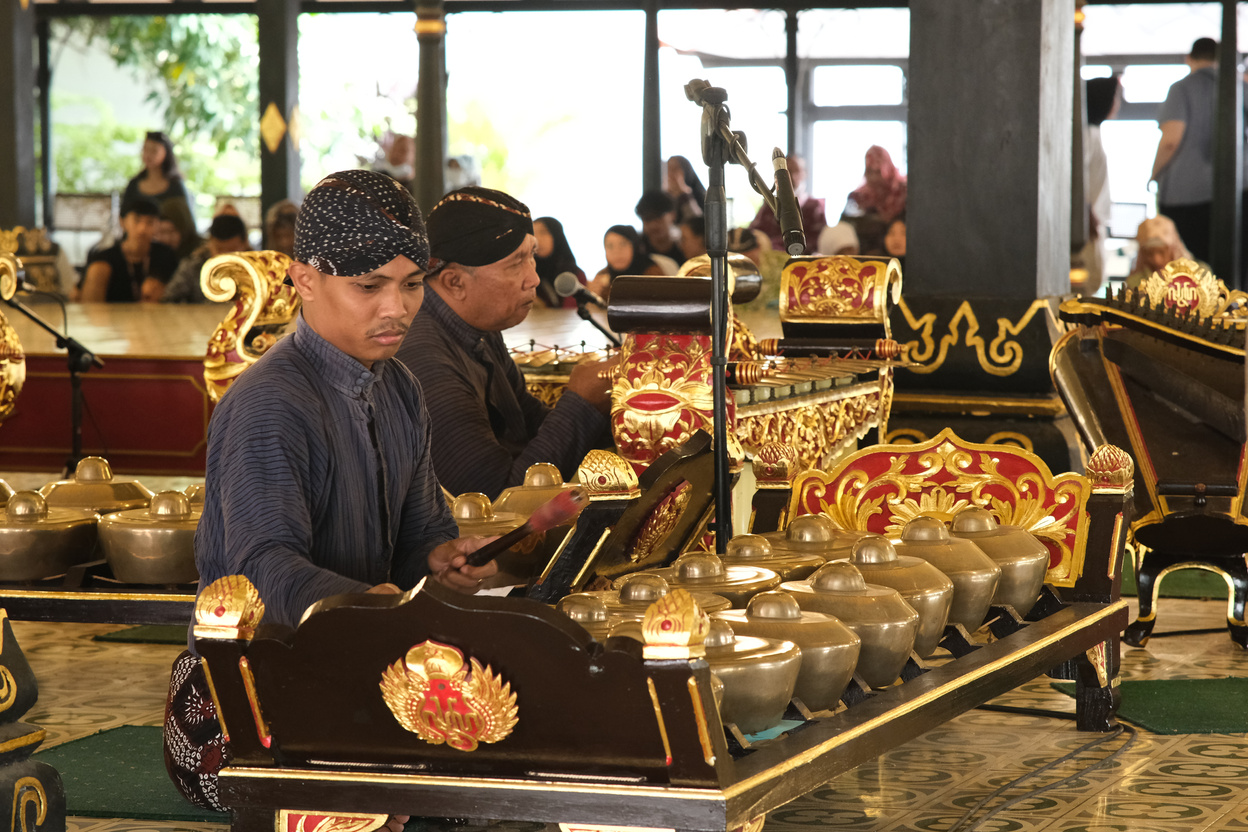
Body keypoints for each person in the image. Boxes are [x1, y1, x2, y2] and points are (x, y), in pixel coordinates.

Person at [166, 169, 496, 816]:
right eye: (369, 287)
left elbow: (421, 534)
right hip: (241, 708)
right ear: (306, 279)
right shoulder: (269, 404)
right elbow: (264, 571)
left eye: (410, 285)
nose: (396, 309)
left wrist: (439, 562)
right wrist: (361, 603)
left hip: (362, 668)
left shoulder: (399, 387)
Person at [396, 186, 614, 500]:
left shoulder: (479, 328)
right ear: (455, 282)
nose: (534, 279)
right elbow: (495, 501)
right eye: (516, 264)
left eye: (532, 257)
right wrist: (581, 402)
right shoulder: (425, 359)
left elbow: (531, 427)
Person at [1151, 37, 1248, 266]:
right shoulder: (1242, 87)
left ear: (1190, 59)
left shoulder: (1182, 88)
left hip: (1187, 196)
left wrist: (1154, 174)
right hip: (1241, 190)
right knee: (1237, 272)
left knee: (1191, 273)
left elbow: (1171, 140)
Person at [79, 197, 179, 302]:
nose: (142, 228)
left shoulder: (166, 256)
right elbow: (89, 307)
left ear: (158, 224)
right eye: (137, 220)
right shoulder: (104, 259)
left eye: (150, 222)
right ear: (122, 221)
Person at [122, 131, 199, 260]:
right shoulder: (134, 184)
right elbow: (123, 215)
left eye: (154, 150)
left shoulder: (176, 185)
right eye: (145, 149)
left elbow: (186, 221)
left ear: (166, 152)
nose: (148, 155)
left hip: (172, 245)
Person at [1080, 75, 1122, 295]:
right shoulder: (1086, 134)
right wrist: (1086, 212)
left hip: (1093, 219)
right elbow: (1075, 178)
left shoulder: (1092, 132)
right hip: (1088, 222)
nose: (1118, 104)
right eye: (1115, 98)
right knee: (1088, 284)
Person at [161, 214, 251, 304]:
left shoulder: (256, 268)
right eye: (219, 250)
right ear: (210, 244)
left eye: (232, 250)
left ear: (245, 243)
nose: (225, 256)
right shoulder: (194, 265)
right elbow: (169, 299)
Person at [749, 154, 827, 255]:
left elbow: (819, 240)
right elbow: (754, 233)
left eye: (795, 170)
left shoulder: (814, 207)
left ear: (805, 174)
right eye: (787, 171)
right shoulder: (770, 206)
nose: (790, 177)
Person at [844, 146, 907, 255]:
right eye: (869, 172)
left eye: (878, 171)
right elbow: (845, 229)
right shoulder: (859, 198)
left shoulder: (903, 193)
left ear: (887, 169)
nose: (873, 177)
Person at [588, 224, 666, 301]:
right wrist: (593, 295)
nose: (616, 252)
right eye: (610, 246)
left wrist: (605, 294)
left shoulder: (653, 273)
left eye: (623, 244)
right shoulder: (603, 275)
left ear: (635, 246)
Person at [1126, 215, 1195, 288]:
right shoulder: (1135, 281)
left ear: (1173, 250)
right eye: (1149, 253)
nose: (1156, 260)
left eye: (1161, 252)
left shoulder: (1197, 275)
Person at [533, 216, 584, 308]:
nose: (537, 239)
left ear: (556, 236)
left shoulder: (574, 274)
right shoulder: (528, 274)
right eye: (533, 233)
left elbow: (571, 310)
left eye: (543, 232)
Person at [635, 190, 686, 265]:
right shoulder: (637, 249)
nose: (653, 225)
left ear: (673, 215)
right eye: (647, 219)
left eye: (658, 217)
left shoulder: (685, 248)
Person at [666, 155, 706, 223]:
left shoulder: (702, 195)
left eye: (675, 169)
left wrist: (683, 195)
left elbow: (698, 223)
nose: (671, 174)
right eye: (669, 169)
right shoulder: (666, 196)